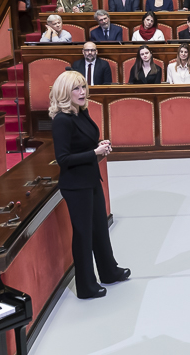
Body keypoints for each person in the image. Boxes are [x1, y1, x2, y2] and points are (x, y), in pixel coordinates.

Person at [49, 71, 129, 300]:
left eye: (83, 87)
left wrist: (98, 144)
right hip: (76, 185)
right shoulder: (62, 121)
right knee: (84, 234)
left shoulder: (81, 113)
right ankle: (86, 285)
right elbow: (63, 159)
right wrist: (94, 152)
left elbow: (84, 142)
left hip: (91, 179)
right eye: (76, 88)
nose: (82, 92)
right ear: (65, 92)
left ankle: (109, 271)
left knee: (100, 229)